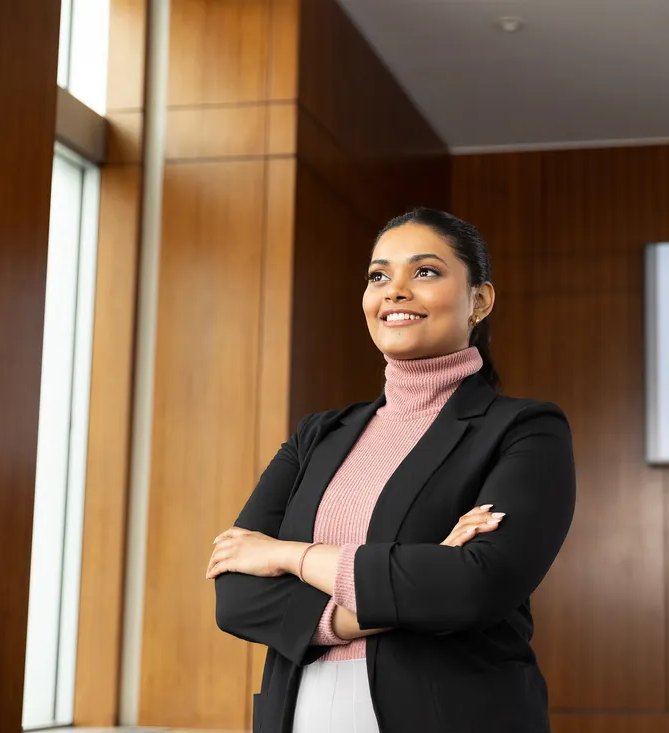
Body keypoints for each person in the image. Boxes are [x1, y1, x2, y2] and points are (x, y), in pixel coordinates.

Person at [207, 208, 576, 733]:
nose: (394, 290)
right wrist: (414, 579)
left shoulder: (524, 429)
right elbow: (236, 598)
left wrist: (287, 556)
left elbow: (472, 589)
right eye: (379, 275)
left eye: (425, 272)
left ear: (480, 300)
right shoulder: (319, 435)